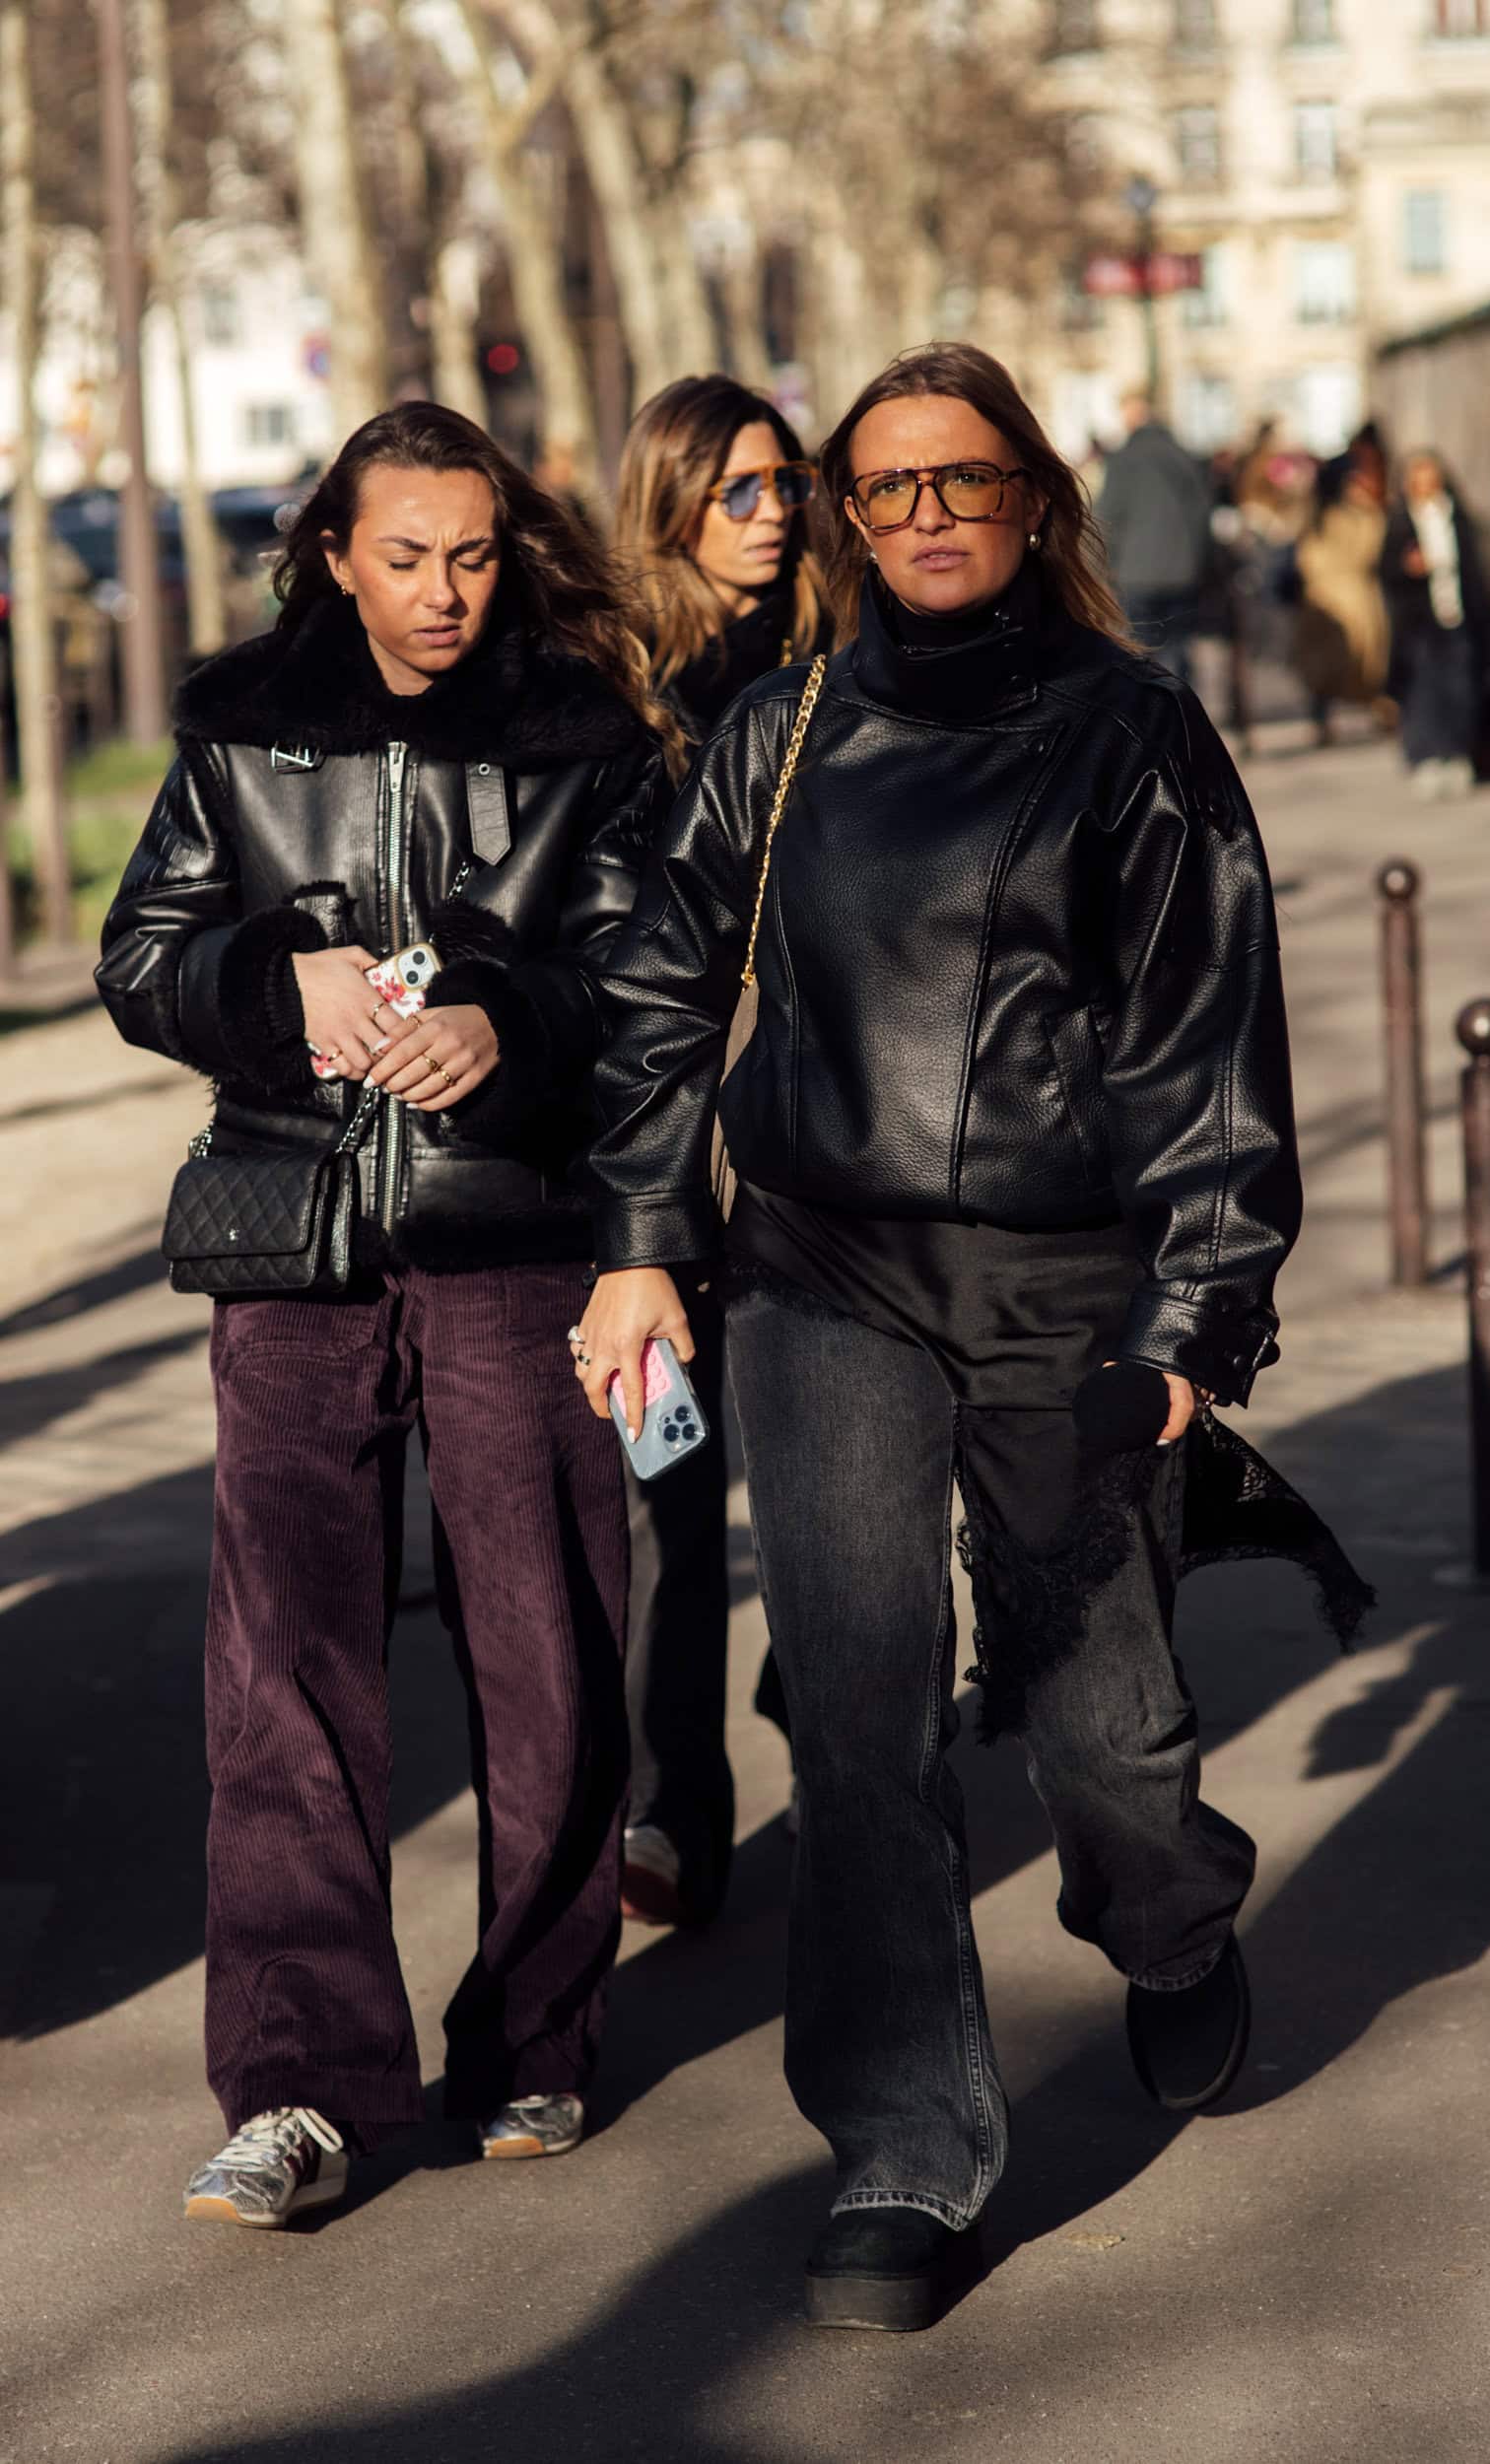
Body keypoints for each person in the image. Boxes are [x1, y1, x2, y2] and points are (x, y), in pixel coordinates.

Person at [572, 344, 1368, 2331]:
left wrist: (1192, 1315)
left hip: (1060, 1280)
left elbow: (1207, 1045)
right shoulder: (771, 729)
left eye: (962, 479)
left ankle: (1168, 1917)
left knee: (1097, 1719)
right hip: (821, 1271)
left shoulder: (1131, 730)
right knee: (854, 1701)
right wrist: (642, 1240)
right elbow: (660, 992)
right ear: (847, 514)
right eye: (886, 485)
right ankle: (902, 2144)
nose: (923, 513)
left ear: (1030, 498)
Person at [97, 402, 674, 2228]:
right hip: (291, 1249)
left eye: (473, 553)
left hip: (515, 1239)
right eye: (404, 555)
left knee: (547, 1653)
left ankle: (536, 2038)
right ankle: (298, 2086)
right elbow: (139, 961)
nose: (442, 592)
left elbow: (639, 979)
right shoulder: (239, 725)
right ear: (333, 555)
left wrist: (512, 1023)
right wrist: (277, 974)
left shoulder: (579, 731)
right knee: (282, 1673)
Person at [609, 376, 829, 1927]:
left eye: (782, 483)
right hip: (660, 1132)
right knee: (666, 1487)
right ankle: (670, 1807)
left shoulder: (846, 655)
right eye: (734, 489)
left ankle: (819, 1717)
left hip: (816, 1117)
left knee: (829, 1466)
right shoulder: (611, 681)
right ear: (670, 500)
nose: (768, 513)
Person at [1381, 448, 1490, 799]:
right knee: (1424, 694)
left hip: (1459, 618)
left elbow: (1479, 575)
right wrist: (1407, 569)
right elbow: (1384, 573)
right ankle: (1426, 756)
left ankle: (1458, 754)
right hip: (1418, 626)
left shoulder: (1458, 519)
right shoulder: (1399, 523)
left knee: (1461, 690)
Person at [1094, 384, 1213, 683]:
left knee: (1142, 654)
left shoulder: (1124, 458)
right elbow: (1202, 514)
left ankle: (1151, 723)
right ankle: (1186, 717)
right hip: (1183, 571)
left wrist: (1100, 569)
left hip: (1137, 573)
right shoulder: (1185, 456)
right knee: (1181, 651)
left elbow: (1107, 517)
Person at [1291, 451, 1389, 745]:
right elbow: (1373, 548)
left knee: (1324, 669)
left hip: (1321, 598)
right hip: (1352, 599)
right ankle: (1379, 712)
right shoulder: (1355, 514)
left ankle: (1322, 722)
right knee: (1365, 663)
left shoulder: (1313, 514)